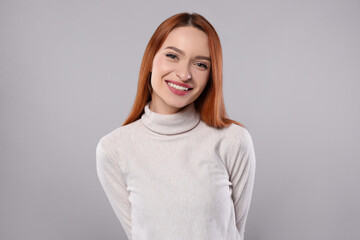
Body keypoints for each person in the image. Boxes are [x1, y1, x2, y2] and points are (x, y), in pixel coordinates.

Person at [96, 12, 256, 240]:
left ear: (211, 75)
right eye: (172, 56)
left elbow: (234, 233)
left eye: (200, 64)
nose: (184, 74)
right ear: (151, 59)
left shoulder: (233, 140)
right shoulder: (113, 149)